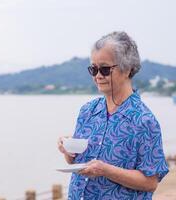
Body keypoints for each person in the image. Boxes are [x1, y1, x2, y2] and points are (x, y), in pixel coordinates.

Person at [57, 31, 169, 200]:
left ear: (127, 69)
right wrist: (68, 150)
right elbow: (75, 163)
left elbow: (151, 181)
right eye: (93, 69)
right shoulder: (88, 111)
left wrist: (105, 170)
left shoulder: (144, 121)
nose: (98, 76)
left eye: (105, 69)